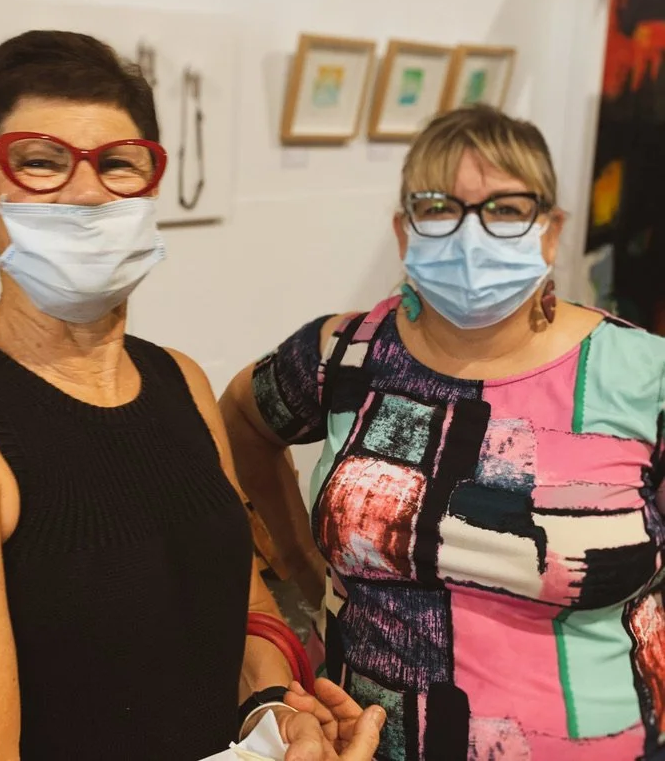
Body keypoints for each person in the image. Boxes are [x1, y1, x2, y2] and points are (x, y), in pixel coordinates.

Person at [0, 30, 384, 761]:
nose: (87, 192)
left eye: (118, 164)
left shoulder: (179, 380)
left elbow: (235, 597)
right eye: (40, 163)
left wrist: (272, 708)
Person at [221, 105, 665, 761]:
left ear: (550, 233)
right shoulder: (344, 354)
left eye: (506, 209)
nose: (470, 235)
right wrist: (303, 565)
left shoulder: (645, 377)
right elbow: (239, 422)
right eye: (439, 208)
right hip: (365, 743)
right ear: (404, 232)